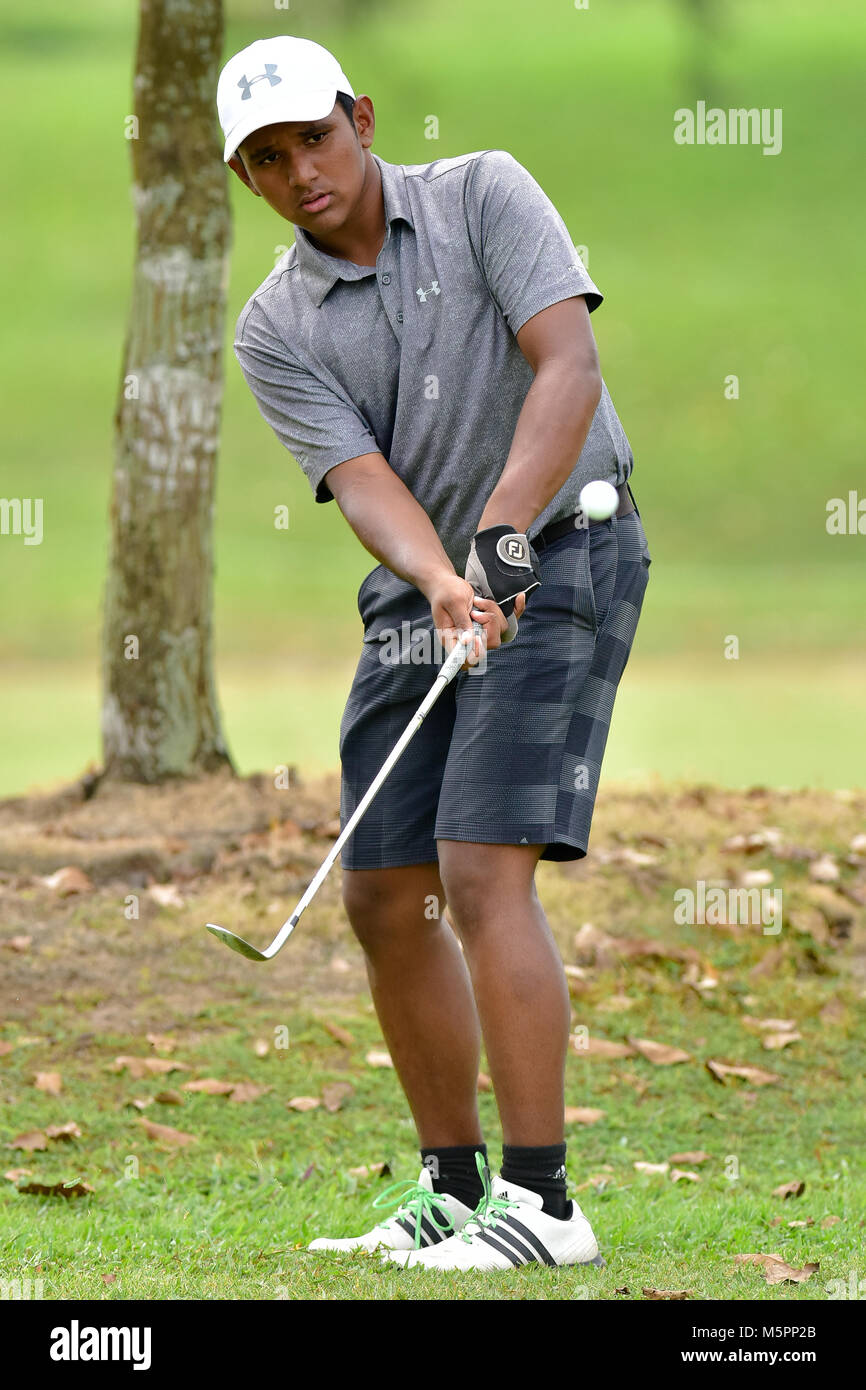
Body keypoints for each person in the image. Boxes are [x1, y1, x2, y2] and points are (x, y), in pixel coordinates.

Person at [216, 35, 651, 1271]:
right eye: (264, 159)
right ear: (244, 180)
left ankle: (544, 1205)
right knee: (380, 887)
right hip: (429, 586)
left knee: (476, 871)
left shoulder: (481, 193)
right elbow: (359, 477)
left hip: (565, 547)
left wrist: (502, 542)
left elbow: (565, 363)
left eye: (311, 137)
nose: (297, 171)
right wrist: (439, 576)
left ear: (358, 116)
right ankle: (451, 1189)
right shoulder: (273, 326)